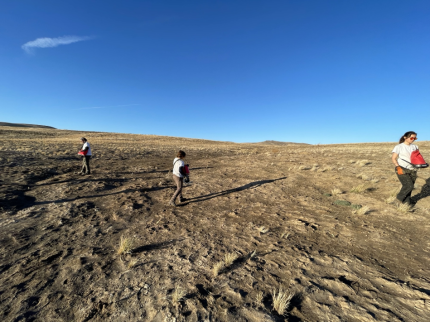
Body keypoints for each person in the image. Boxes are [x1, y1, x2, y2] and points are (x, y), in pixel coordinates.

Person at [391, 131, 419, 205]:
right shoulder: (399, 147)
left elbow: (417, 158)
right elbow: (393, 158)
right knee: (409, 186)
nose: (413, 139)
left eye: (415, 138)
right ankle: (397, 200)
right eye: (411, 137)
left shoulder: (415, 147)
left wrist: (422, 164)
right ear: (405, 137)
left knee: (409, 188)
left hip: (413, 169)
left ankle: (406, 203)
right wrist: (398, 167)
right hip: (402, 168)